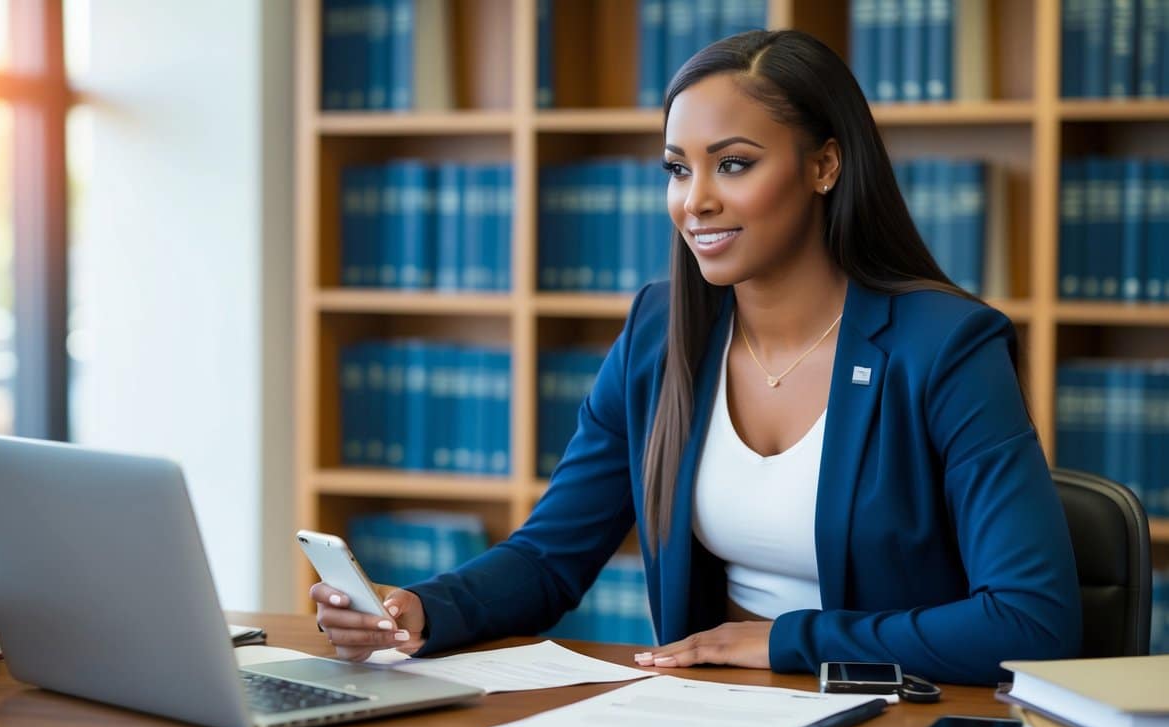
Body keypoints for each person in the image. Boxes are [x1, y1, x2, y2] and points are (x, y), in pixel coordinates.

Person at [310, 29, 1081, 685]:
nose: (695, 200)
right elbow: (550, 556)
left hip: (889, 721)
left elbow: (1029, 622)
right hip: (704, 716)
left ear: (823, 166)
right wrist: (423, 609)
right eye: (678, 169)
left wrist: (786, 643)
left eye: (734, 164)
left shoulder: (944, 345)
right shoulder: (660, 331)